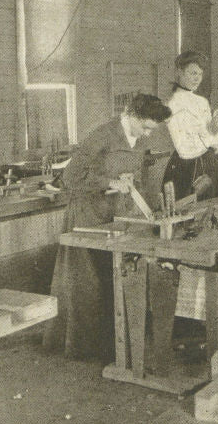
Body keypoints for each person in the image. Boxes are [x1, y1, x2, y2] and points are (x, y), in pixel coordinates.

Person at [46, 94, 172, 363]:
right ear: (133, 116)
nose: (148, 133)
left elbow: (129, 172)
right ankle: (85, 349)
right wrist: (110, 182)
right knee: (87, 284)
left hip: (113, 213)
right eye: (147, 127)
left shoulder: (136, 138)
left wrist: (125, 182)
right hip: (87, 215)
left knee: (112, 278)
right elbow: (70, 178)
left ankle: (115, 347)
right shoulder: (102, 135)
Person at [163, 51, 218, 199]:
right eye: (193, 73)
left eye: (200, 74)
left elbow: (212, 142)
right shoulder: (172, 104)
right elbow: (183, 148)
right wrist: (211, 134)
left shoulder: (202, 102)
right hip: (186, 169)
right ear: (179, 72)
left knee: (212, 212)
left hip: (208, 164)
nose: (197, 79)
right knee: (188, 214)